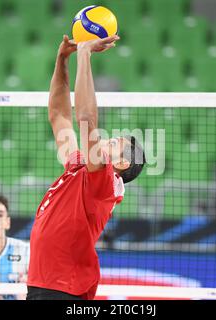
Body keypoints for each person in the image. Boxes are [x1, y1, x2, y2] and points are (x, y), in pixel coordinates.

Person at [26, 34, 146, 300]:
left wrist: (84, 54)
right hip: (42, 283)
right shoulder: (79, 166)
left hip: (63, 289)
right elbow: (59, 116)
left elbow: (86, 119)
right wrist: (62, 59)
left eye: (115, 142)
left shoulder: (102, 183)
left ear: (121, 163)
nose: (108, 138)